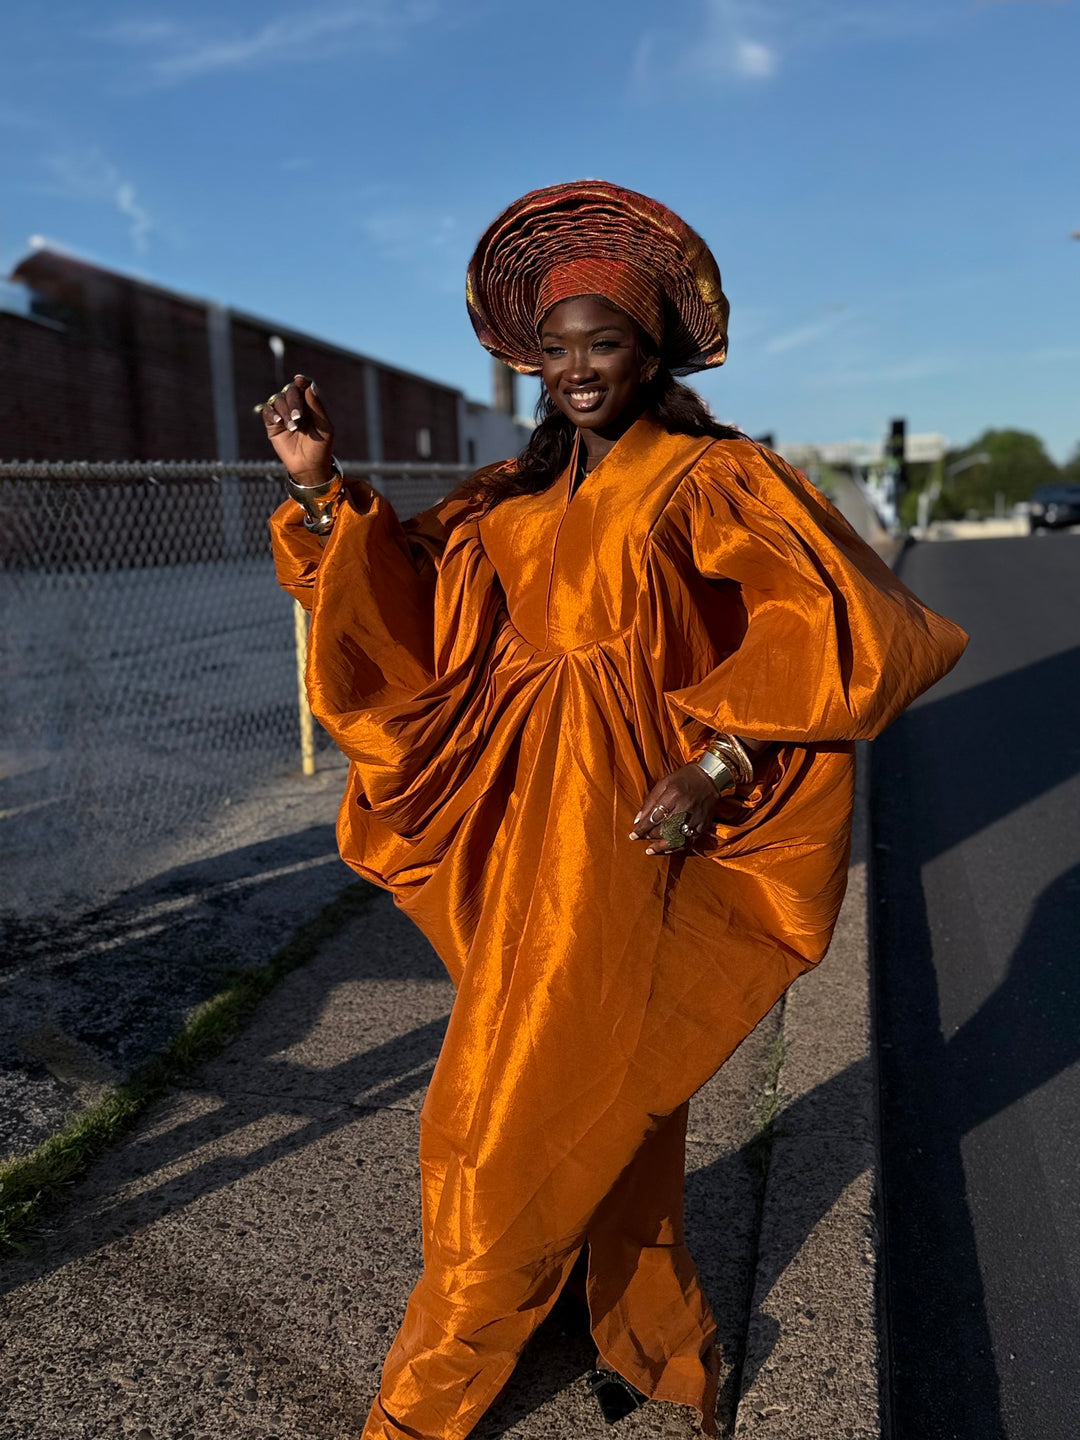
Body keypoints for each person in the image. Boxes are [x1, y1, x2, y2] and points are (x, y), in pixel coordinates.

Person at [262, 180, 967, 1440]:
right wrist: (323, 491)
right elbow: (401, 608)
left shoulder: (711, 478)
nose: (582, 368)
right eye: (562, 347)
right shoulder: (507, 507)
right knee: (611, 1106)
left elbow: (849, 626)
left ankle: (420, 1406)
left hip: (629, 853)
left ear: (654, 354)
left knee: (501, 1125)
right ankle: (651, 1334)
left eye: (609, 343)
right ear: (532, 360)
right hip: (511, 841)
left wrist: (726, 760)